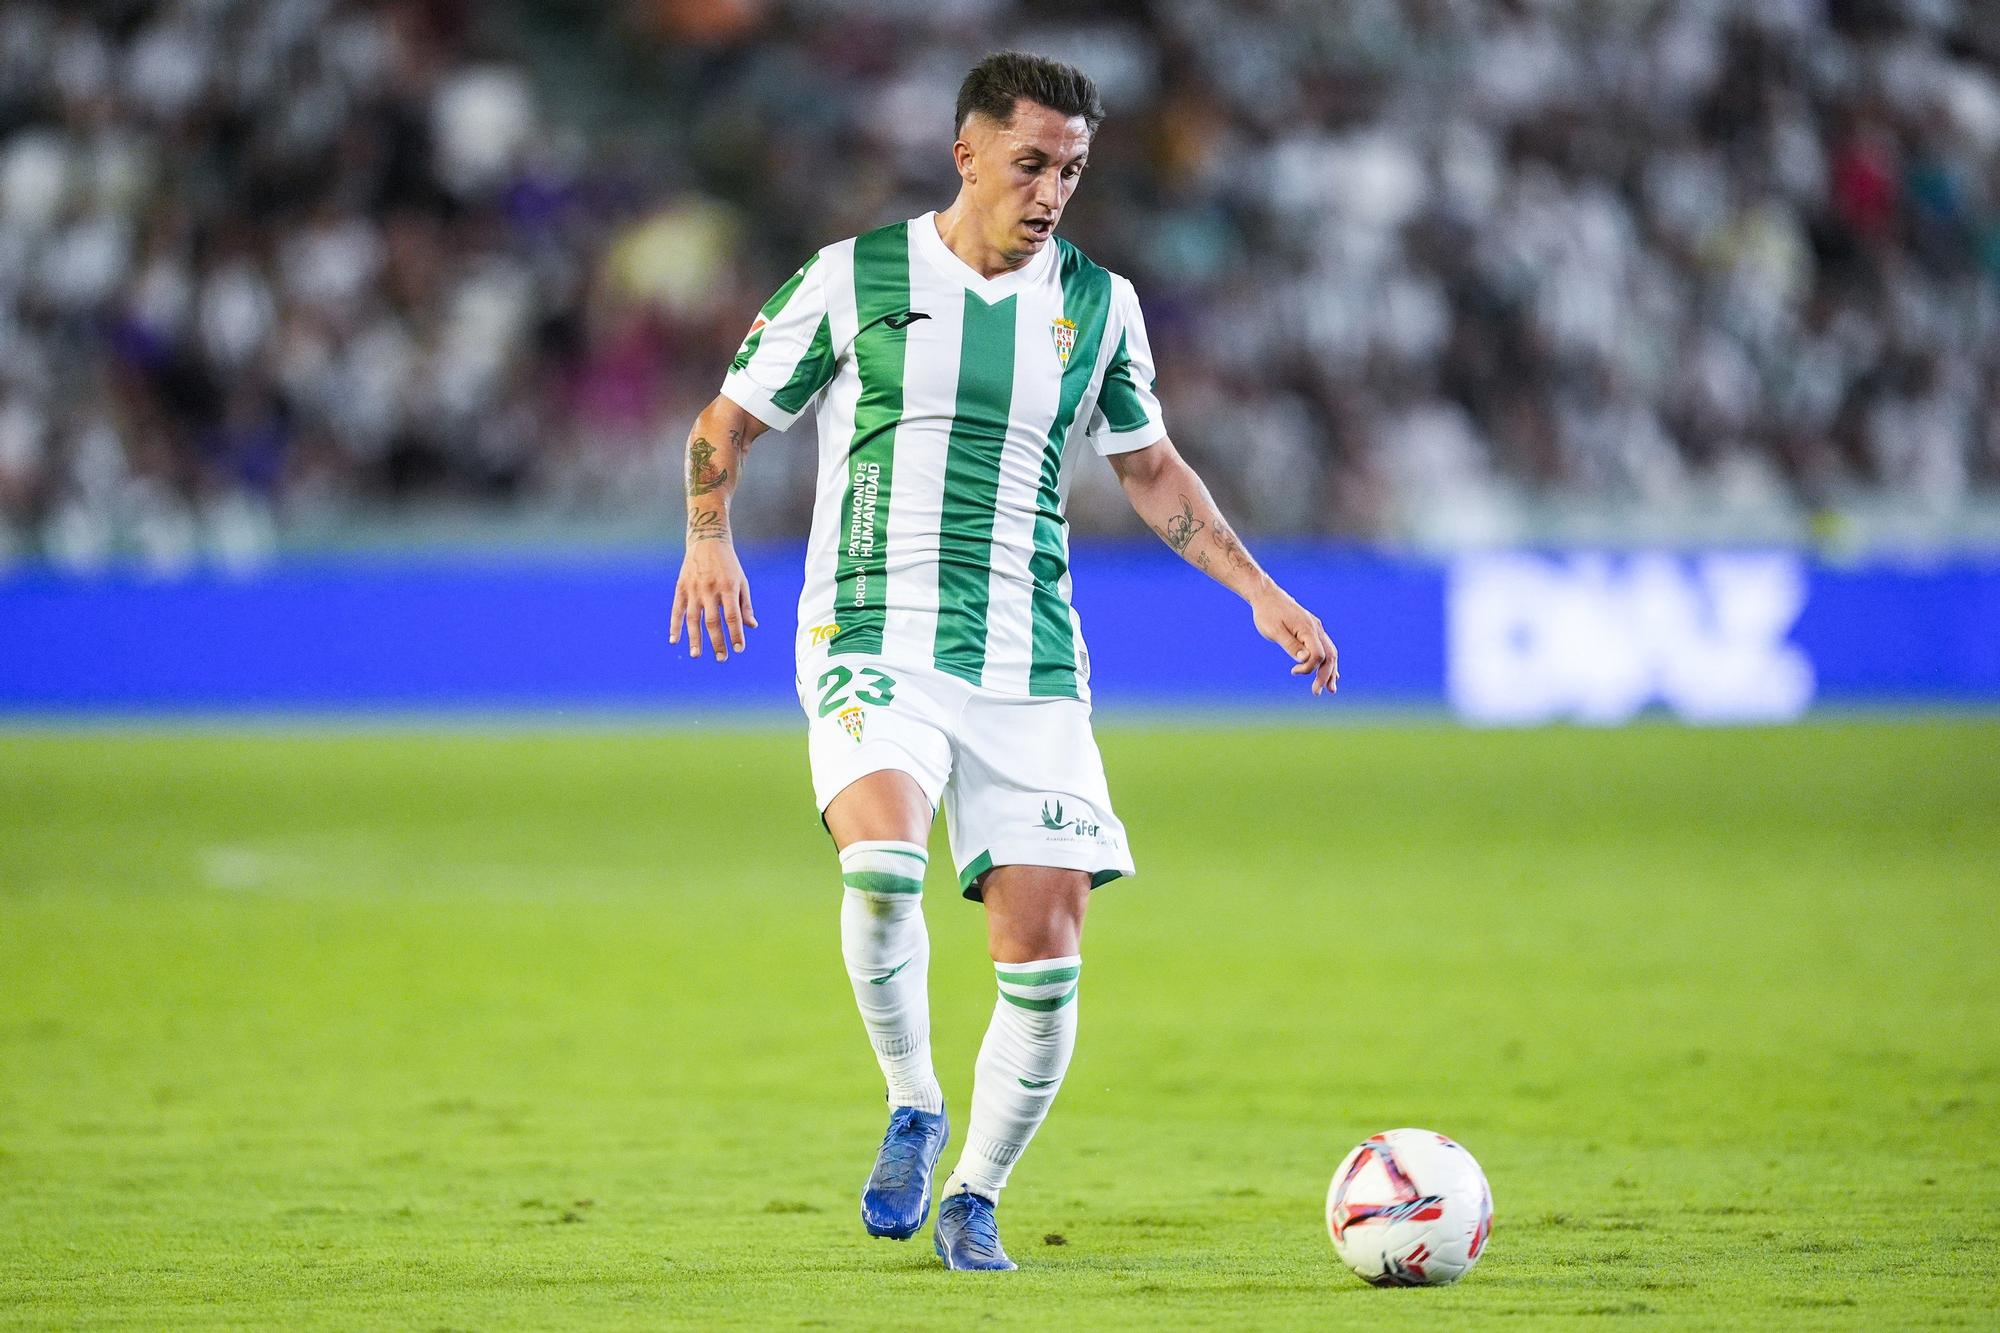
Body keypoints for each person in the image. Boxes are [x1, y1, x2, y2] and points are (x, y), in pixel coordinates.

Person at [669, 51, 1338, 1271]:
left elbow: (1148, 467)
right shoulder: (852, 276)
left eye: (1071, 170)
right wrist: (707, 539)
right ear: (965, 151)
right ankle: (913, 1098)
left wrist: (1258, 591)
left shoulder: (1101, 304)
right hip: (870, 630)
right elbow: (725, 420)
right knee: (877, 861)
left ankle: (975, 1193)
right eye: (1029, 162)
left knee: (1044, 948)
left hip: (1027, 660)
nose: (1049, 191)